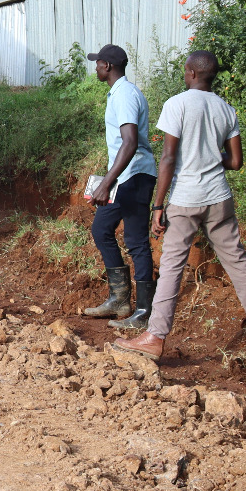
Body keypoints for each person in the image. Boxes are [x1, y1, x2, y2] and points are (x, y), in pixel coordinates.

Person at [115, 52, 246, 358]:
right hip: (218, 197)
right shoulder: (226, 109)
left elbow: (168, 158)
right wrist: (212, 159)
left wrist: (158, 205)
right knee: (237, 259)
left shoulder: (177, 104)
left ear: (190, 73)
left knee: (173, 266)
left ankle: (155, 336)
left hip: (185, 199)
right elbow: (237, 161)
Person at [83, 44, 158, 329]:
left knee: (137, 241)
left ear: (108, 66)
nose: (96, 67)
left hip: (135, 176)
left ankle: (143, 312)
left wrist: (107, 182)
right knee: (102, 229)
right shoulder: (120, 93)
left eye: (98, 62)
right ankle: (120, 300)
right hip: (128, 176)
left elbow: (130, 142)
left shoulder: (125, 95)